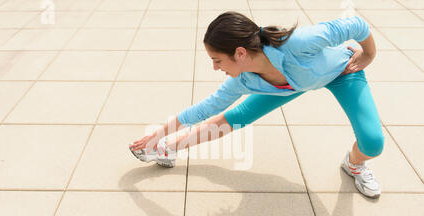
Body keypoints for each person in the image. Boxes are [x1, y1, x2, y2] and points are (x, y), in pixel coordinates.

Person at [129, 12, 384, 199]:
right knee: (233, 118)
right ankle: (168, 148)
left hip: (343, 73)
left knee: (373, 143)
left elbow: (356, 24)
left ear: (240, 53)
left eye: (217, 60)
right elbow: (205, 109)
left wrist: (369, 54)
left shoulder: (299, 42)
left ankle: (353, 164)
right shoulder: (242, 79)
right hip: (289, 86)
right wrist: (158, 134)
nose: (215, 68)